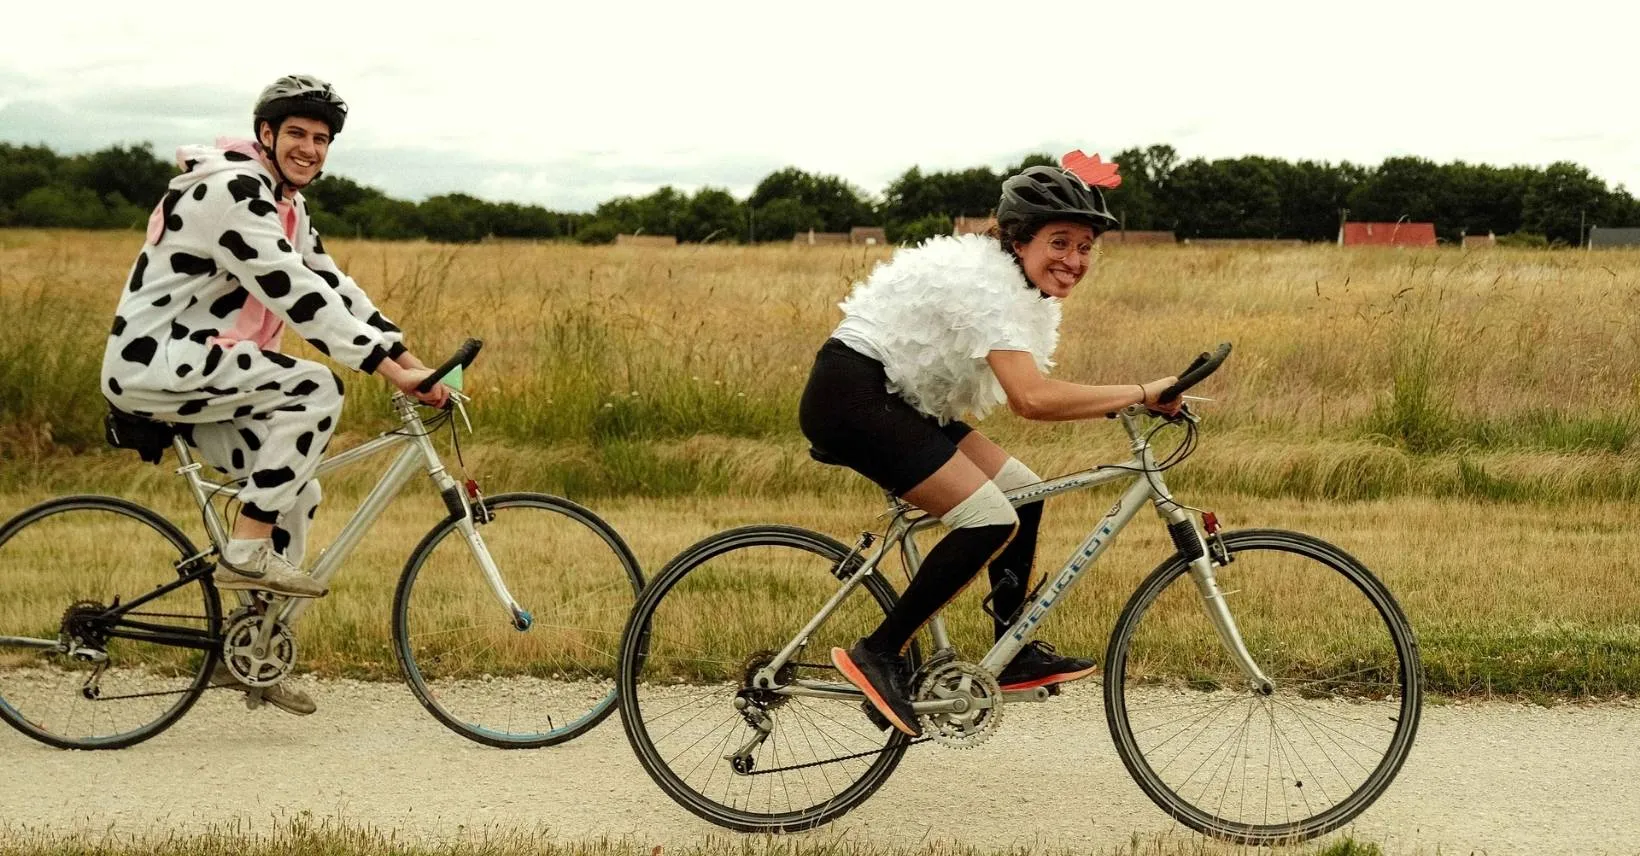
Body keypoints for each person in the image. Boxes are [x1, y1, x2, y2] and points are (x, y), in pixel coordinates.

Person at [100, 74, 451, 714]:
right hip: (159, 360)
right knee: (314, 386)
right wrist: (384, 368)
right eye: (296, 133)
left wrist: (411, 362)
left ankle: (252, 647)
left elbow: (333, 286)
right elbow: (293, 290)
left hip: (204, 366)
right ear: (266, 133)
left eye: (321, 139)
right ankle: (246, 547)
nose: (309, 149)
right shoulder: (232, 190)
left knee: (297, 489)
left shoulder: (285, 204)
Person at [800, 153, 1180, 737]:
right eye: (1059, 243)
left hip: (899, 398)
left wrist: (1134, 397)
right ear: (1019, 240)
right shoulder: (989, 289)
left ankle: (1012, 646)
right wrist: (1139, 392)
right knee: (988, 519)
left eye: (1085, 247)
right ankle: (878, 652)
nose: (1074, 260)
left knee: (1025, 491)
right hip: (852, 395)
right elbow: (1032, 399)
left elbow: (1034, 394)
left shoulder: (1017, 289)